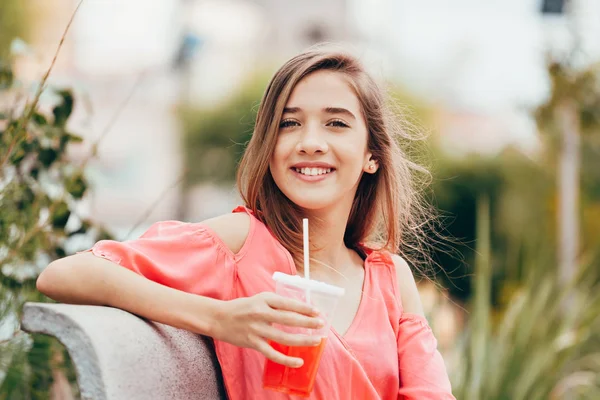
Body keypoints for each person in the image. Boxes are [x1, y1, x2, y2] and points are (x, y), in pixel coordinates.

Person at [36, 46, 455, 400]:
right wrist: (219, 318)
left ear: (372, 155)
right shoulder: (242, 244)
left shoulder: (390, 279)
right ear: (269, 148)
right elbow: (64, 275)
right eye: (288, 123)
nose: (309, 141)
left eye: (336, 123)